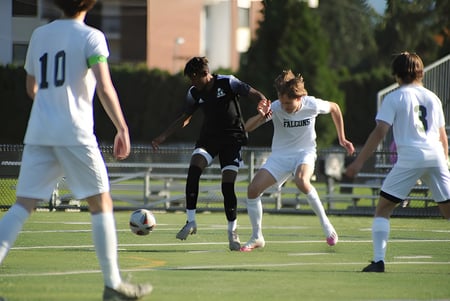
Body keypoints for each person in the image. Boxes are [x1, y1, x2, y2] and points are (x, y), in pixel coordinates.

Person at [0, 1, 152, 300]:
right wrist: (122, 128)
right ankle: (113, 285)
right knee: (101, 203)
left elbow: (32, 87)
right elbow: (105, 87)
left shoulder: (40, 35)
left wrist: (51, 101)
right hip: (75, 132)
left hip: (40, 131)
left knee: (22, 206)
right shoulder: (91, 37)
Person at [345, 52, 450, 272]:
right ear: (421, 72)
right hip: (436, 155)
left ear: (396, 74)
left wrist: (358, 162)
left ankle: (378, 261)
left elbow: (380, 132)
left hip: (411, 156)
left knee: (383, 208)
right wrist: (445, 161)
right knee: (448, 211)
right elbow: (442, 136)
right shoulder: (433, 97)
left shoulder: (394, 97)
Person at [152, 56, 267, 251]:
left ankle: (232, 231)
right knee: (194, 168)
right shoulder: (194, 93)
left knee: (227, 185)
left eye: (194, 77)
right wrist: (163, 136)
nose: (192, 82)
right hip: (208, 140)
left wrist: (262, 103)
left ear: (205, 74)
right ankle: (190, 221)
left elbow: (255, 93)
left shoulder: (228, 82)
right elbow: (185, 117)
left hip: (232, 140)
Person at [240, 70, 355, 251]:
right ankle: (257, 237)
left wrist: (342, 138)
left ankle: (327, 225)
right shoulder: (276, 108)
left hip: (305, 153)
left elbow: (335, 108)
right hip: (280, 156)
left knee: (302, 180)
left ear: (299, 98)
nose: (285, 106)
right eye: (282, 101)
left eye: (289, 103)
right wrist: (262, 115)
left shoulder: (312, 105)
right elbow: (247, 128)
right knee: (253, 190)